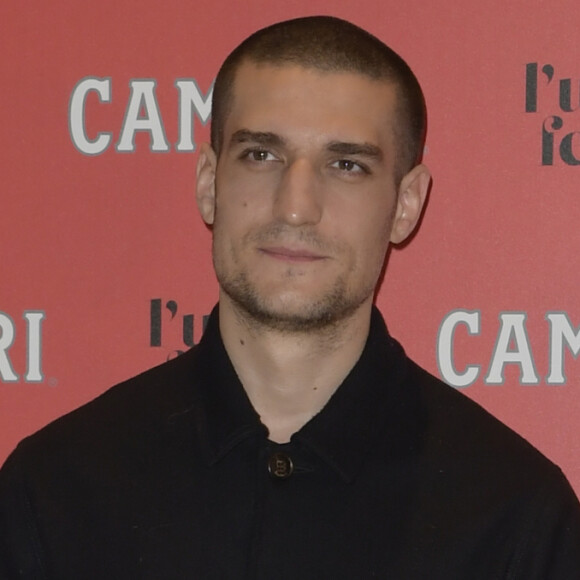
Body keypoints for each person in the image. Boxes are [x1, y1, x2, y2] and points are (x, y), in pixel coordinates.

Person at [1, 15, 579, 579]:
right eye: (261, 155)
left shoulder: (515, 520)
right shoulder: (54, 492)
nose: (296, 206)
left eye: (346, 164)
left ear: (405, 204)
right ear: (209, 183)